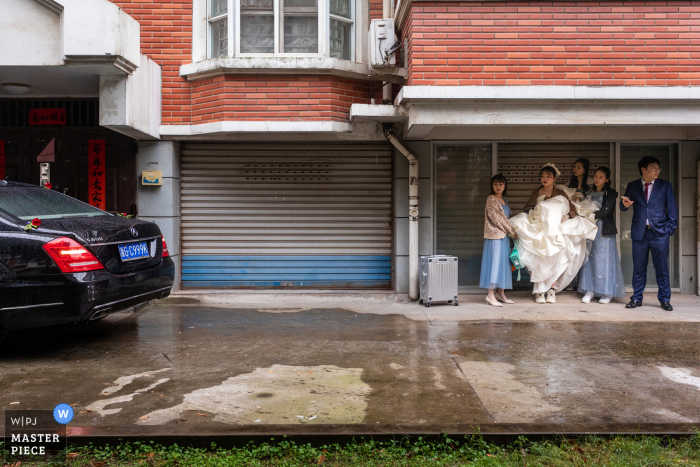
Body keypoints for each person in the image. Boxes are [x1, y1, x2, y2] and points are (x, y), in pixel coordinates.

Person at [511, 163, 598, 304]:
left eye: (548, 176)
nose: (545, 179)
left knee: (556, 257)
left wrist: (567, 216)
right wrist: (535, 215)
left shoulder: (560, 193)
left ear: (554, 178)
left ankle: (551, 290)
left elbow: (571, 209)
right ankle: (539, 291)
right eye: (542, 176)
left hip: (556, 228)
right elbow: (528, 208)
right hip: (540, 227)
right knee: (540, 258)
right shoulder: (536, 192)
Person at [620, 156, 678, 311]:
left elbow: (672, 208)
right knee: (638, 269)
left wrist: (669, 229)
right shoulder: (633, 186)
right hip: (640, 234)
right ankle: (636, 298)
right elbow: (624, 205)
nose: (657, 170)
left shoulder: (665, 186)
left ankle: (665, 300)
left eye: (658, 168)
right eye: (654, 167)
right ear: (643, 169)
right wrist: (624, 205)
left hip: (659, 233)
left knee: (662, 269)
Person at [578, 167, 626, 303]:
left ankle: (606, 292)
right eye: (596, 176)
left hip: (603, 229)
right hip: (590, 227)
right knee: (589, 258)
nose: (597, 179)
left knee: (604, 260)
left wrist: (592, 215)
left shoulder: (611, 193)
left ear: (607, 179)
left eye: (601, 177)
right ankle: (590, 290)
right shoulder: (588, 192)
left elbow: (606, 211)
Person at [480, 174, 517, 307]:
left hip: (505, 237)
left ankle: (501, 293)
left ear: (505, 185)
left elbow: (507, 218)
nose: (498, 186)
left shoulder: (504, 200)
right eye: (495, 184)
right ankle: (490, 294)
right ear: (492, 186)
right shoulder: (491, 199)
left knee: (504, 264)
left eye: (500, 184)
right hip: (495, 236)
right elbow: (497, 219)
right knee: (495, 264)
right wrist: (511, 232)